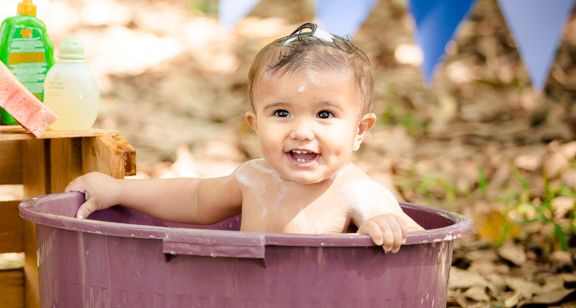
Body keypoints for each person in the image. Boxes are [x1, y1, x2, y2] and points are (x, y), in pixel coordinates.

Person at [65, 22, 423, 252]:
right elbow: (193, 198)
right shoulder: (253, 178)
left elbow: (413, 233)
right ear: (254, 122)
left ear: (360, 131)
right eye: (281, 113)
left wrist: (384, 226)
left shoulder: (354, 190)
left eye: (324, 115)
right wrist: (119, 190)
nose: (301, 131)